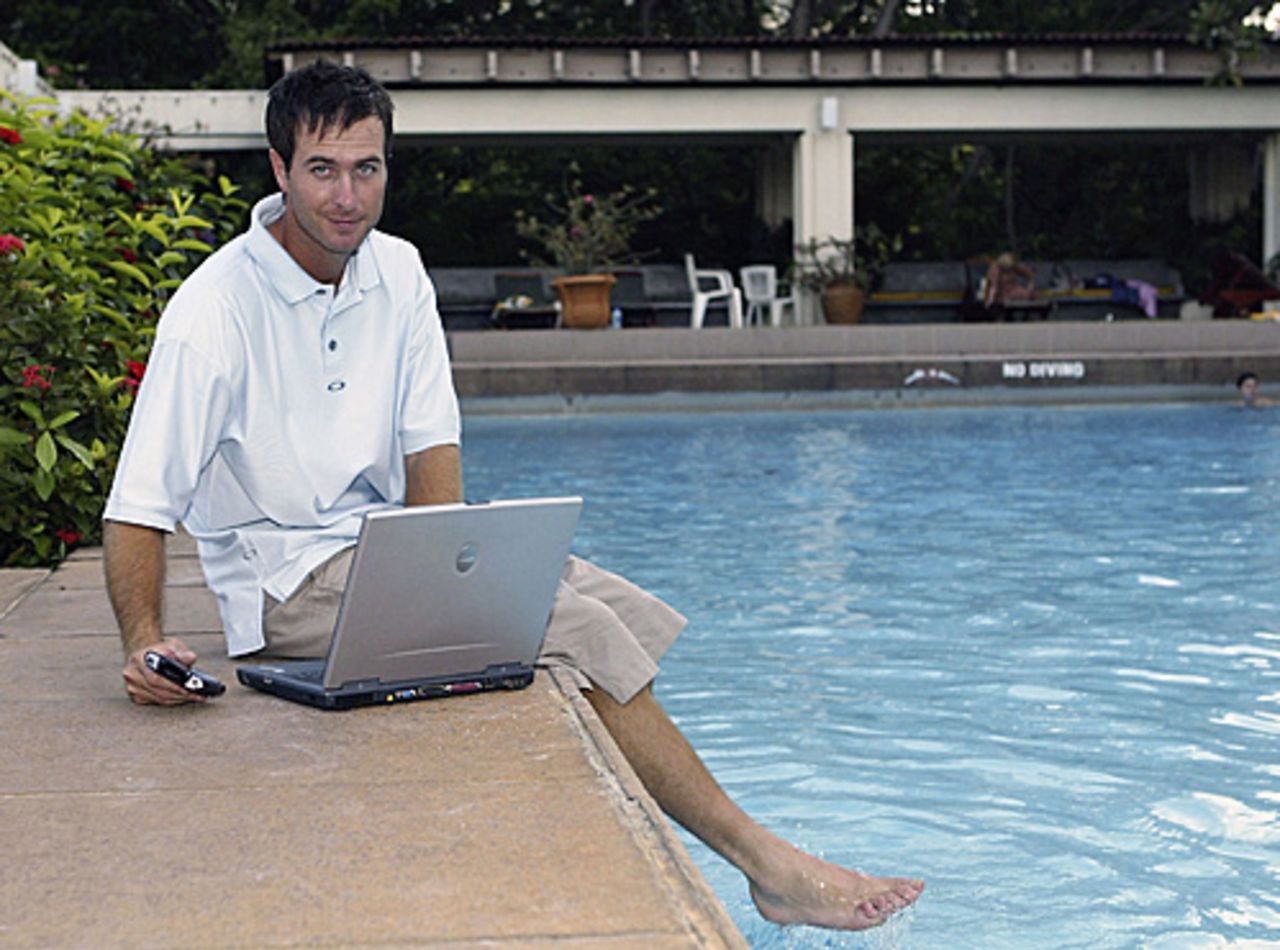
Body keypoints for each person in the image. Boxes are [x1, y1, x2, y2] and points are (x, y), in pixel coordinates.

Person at [103, 61, 923, 932]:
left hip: (384, 554)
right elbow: (140, 502)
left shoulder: (400, 272)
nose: (347, 196)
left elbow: (432, 449)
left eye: (367, 168)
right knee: (571, 629)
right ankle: (767, 863)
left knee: (617, 608)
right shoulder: (214, 310)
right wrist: (146, 643)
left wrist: (447, 569)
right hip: (287, 586)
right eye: (323, 169)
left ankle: (664, 837)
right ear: (278, 167)